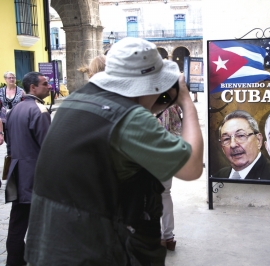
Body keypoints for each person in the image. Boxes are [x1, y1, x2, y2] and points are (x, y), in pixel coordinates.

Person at [25, 37, 204, 265]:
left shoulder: (76, 101)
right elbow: (192, 168)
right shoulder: (130, 119)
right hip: (94, 252)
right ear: (150, 84)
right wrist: (186, 101)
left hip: (51, 246)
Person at [4, 71, 51, 265]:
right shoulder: (39, 110)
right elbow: (49, 147)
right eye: (45, 84)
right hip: (35, 176)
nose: (49, 86)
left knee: (17, 222)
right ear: (33, 88)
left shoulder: (15, 109)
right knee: (40, 224)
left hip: (18, 173)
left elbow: (9, 143)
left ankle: (15, 260)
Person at [214, 110, 270, 180]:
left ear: (258, 140)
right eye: (226, 139)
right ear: (222, 148)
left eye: (240, 136)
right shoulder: (219, 176)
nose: (233, 145)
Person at [157, 104, 182, 251]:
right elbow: (178, 130)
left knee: (145, 196)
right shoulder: (171, 107)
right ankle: (168, 237)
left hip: (145, 156)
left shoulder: (142, 104)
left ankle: (155, 236)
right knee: (165, 194)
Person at [0, 71, 25, 142]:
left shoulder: (21, 91)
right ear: (5, 79)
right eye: (9, 78)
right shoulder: (0, 91)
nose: (11, 79)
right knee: (8, 140)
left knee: (18, 139)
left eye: (13, 77)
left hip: (18, 119)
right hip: (4, 120)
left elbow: (24, 105)